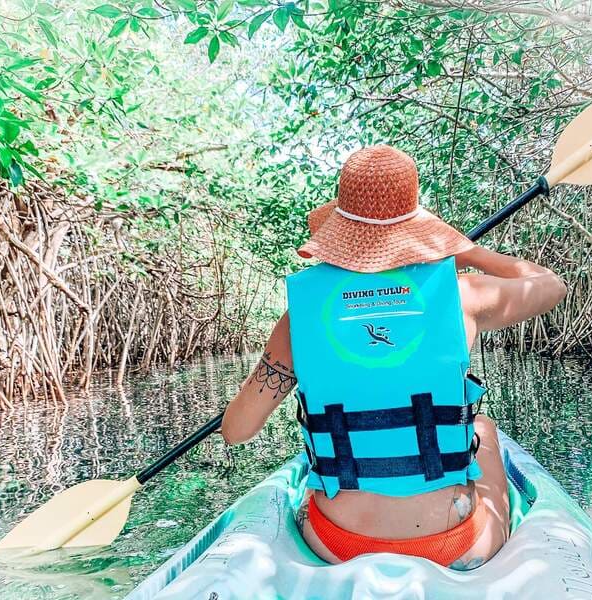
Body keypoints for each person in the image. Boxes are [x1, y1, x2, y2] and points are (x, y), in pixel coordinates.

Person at [221, 145, 566, 569]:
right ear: (421, 230)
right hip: (456, 543)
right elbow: (550, 285)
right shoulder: (463, 294)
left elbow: (236, 430)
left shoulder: (301, 317)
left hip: (336, 544)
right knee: (484, 429)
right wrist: (465, 250)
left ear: (341, 229)